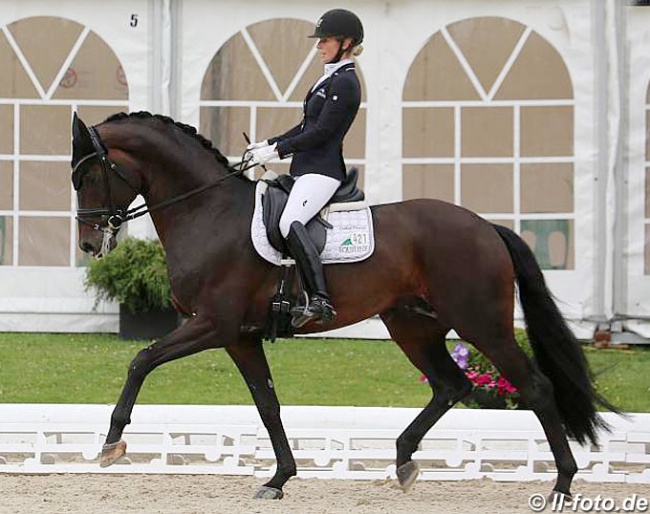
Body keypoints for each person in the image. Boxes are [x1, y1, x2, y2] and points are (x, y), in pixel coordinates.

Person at [246, 9, 363, 327]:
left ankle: (321, 300)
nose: (319, 46)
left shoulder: (347, 83)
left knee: (289, 222)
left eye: (325, 40)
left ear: (346, 42)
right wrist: (266, 143)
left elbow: (322, 132)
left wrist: (278, 150)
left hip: (323, 171)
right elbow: (304, 125)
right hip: (305, 168)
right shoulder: (328, 78)